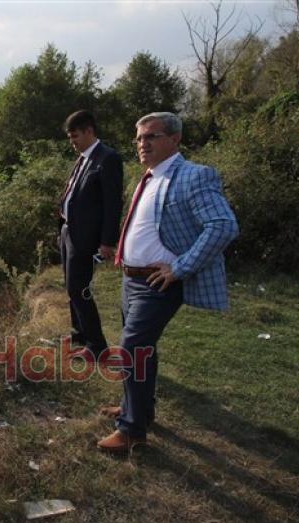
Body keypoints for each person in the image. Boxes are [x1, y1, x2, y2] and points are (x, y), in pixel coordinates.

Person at [97, 112, 239, 452]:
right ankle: (140, 410)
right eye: (139, 139)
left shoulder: (194, 175)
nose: (142, 144)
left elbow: (223, 226)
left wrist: (180, 267)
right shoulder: (148, 177)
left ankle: (132, 430)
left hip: (158, 283)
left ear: (174, 139)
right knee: (142, 349)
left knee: (132, 348)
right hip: (131, 280)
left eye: (151, 137)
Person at [58, 110, 123, 357]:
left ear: (89, 131)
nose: (72, 142)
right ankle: (80, 335)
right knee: (69, 286)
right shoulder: (84, 157)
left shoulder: (108, 159)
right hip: (68, 231)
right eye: (69, 137)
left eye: (75, 136)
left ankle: (97, 346)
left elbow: (112, 203)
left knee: (79, 288)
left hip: (85, 236)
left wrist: (107, 241)